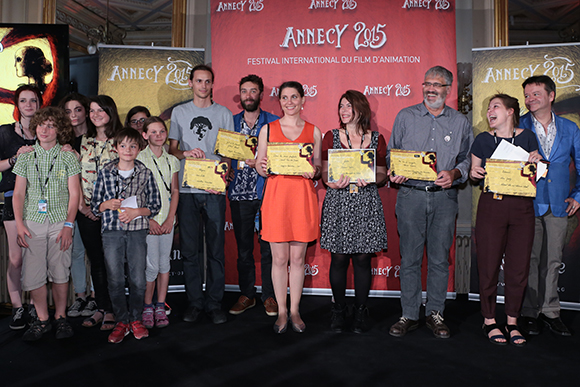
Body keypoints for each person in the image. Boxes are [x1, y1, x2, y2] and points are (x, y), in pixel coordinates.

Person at [387, 65, 473, 339]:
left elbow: (467, 159)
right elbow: (391, 154)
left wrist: (456, 173)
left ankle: (435, 314)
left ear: (448, 89)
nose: (431, 88)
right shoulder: (405, 116)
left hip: (444, 199)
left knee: (438, 260)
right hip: (410, 196)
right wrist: (394, 169)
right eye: (427, 84)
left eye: (437, 84)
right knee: (410, 259)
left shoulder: (460, 122)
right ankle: (410, 314)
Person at [470, 94, 541, 346]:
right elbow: (473, 172)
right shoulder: (482, 140)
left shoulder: (527, 137)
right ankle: (489, 319)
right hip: (492, 205)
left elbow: (539, 169)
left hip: (522, 207)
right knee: (488, 265)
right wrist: (474, 172)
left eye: (495, 107)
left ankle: (512, 321)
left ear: (510, 111)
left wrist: (538, 162)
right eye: (488, 108)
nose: (490, 111)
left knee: (518, 267)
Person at [168, 64, 234, 325]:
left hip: (214, 189)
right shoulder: (180, 112)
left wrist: (225, 170)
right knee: (190, 250)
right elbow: (172, 148)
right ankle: (195, 302)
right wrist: (185, 153)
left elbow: (228, 151)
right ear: (190, 83)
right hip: (186, 188)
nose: (203, 86)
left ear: (212, 84)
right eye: (199, 81)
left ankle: (215, 303)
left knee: (216, 249)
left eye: (208, 82)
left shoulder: (224, 113)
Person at [256, 81, 322, 334]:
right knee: (279, 258)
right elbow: (262, 166)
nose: (290, 101)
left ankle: (295, 309)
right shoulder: (268, 130)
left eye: (294, 97)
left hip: (302, 199)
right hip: (276, 198)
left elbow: (317, 169)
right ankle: (281, 311)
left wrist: (314, 170)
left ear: (303, 100)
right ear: (280, 101)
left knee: (297, 258)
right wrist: (261, 166)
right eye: (285, 97)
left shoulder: (314, 131)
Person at [321, 90, 388, 333]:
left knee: (362, 259)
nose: (344, 111)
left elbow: (382, 173)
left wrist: (371, 179)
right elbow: (325, 171)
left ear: (361, 109)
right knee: (338, 258)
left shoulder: (377, 139)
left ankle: (361, 310)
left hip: (366, 202)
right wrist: (331, 181)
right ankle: (338, 309)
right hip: (338, 201)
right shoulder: (330, 137)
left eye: (349, 106)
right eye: (341, 106)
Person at [12, 107, 81, 341]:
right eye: (42, 124)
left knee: (60, 272)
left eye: (51, 125)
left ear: (59, 130)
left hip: (61, 221)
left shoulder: (68, 156)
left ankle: (61, 317)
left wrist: (69, 225)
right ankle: (42, 319)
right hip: (32, 222)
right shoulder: (26, 156)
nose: (45, 129)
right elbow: (19, 194)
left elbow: (75, 194)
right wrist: (20, 224)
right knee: (33, 275)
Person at [519, 75, 580, 337]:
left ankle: (551, 312)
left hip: (558, 205)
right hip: (526, 204)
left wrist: (578, 195)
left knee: (553, 261)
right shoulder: (518, 125)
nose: (530, 99)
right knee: (529, 260)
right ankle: (529, 313)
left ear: (551, 95)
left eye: (535, 94)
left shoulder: (570, 128)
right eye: (527, 95)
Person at [91, 128, 161, 344]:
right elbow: (94, 206)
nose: (128, 150)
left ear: (139, 149)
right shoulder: (105, 172)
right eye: (123, 146)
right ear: (116, 148)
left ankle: (136, 319)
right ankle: (121, 320)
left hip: (137, 230)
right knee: (114, 278)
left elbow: (155, 205)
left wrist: (137, 212)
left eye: (133, 146)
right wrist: (106, 205)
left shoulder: (145, 172)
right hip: (111, 231)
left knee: (138, 277)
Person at [228, 74, 279, 317]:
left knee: (269, 249)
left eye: (253, 91)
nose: (249, 95)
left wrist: (262, 161)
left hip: (267, 193)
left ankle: (269, 296)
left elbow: (284, 157)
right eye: (245, 91)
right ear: (240, 96)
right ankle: (247, 294)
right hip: (239, 194)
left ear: (260, 94)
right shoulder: (230, 122)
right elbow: (221, 154)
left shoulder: (274, 122)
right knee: (244, 249)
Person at [75, 95, 123, 331]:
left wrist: (107, 207)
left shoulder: (122, 140)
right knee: (96, 263)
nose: (95, 114)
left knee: (113, 263)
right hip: (86, 213)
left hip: (114, 214)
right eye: (91, 110)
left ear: (110, 111)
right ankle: (102, 307)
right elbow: (74, 178)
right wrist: (84, 207)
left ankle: (115, 309)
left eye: (99, 110)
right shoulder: (83, 141)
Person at [0, 85, 41, 329]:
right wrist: (15, 158)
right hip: (11, 197)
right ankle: (17, 308)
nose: (28, 105)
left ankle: (37, 308)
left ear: (39, 104)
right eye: (23, 100)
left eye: (33, 101)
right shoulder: (5, 133)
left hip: (42, 202)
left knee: (36, 259)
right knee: (16, 259)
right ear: (17, 104)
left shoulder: (46, 132)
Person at [137, 117, 180, 329]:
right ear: (144, 135)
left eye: (161, 131)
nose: (158, 135)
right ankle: (147, 306)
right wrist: (149, 219)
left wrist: (171, 217)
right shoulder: (139, 158)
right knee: (151, 266)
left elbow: (175, 191)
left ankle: (160, 305)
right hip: (149, 221)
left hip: (167, 221)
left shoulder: (172, 160)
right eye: (152, 132)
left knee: (165, 264)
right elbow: (136, 192)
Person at [58, 92, 96, 318]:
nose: (73, 115)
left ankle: (95, 297)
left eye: (78, 109)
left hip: (93, 206)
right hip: (70, 204)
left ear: (87, 112)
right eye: (68, 111)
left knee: (95, 253)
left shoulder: (96, 139)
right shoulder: (61, 140)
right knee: (75, 251)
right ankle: (80, 296)